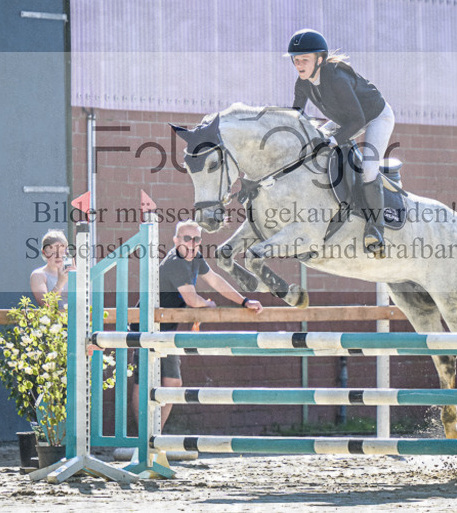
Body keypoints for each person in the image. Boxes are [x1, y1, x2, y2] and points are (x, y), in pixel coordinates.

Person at [131, 220, 263, 432]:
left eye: (196, 239)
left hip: (165, 329)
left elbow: (216, 281)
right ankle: (144, 437)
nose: (192, 243)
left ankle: (154, 435)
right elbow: (192, 300)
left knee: (172, 383)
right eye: (187, 238)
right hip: (145, 326)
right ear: (176, 241)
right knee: (144, 382)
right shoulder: (176, 262)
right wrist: (207, 305)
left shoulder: (195, 258)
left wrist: (244, 301)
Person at [285, 28, 396, 257]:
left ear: (320, 59)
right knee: (314, 143)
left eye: (304, 59)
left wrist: (333, 140)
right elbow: (297, 116)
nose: (299, 65)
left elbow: (358, 121)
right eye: (296, 60)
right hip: (346, 119)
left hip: (375, 117)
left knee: (368, 169)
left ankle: (376, 230)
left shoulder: (336, 79)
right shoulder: (302, 83)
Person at [29, 229, 71, 308]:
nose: (58, 256)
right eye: (53, 253)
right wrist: (60, 282)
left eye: (61, 252)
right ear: (44, 253)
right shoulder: (38, 275)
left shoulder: (72, 273)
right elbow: (45, 305)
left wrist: (78, 277)